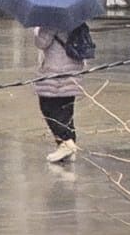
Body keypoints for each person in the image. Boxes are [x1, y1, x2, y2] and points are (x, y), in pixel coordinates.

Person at [33, 21, 90, 164]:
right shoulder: (76, 19)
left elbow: (41, 43)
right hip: (73, 69)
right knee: (66, 110)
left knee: (48, 108)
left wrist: (38, 30)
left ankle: (66, 141)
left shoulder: (51, 21)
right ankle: (66, 146)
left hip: (56, 71)